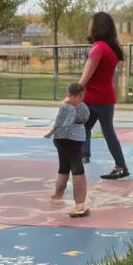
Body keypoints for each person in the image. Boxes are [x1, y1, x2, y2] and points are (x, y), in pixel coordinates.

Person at [79, 12, 130, 179]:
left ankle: (84, 156)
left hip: (93, 99)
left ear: (97, 27)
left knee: (83, 126)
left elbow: (85, 77)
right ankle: (120, 166)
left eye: (90, 24)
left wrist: (72, 94)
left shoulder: (98, 48)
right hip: (106, 98)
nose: (88, 27)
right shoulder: (111, 49)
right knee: (103, 131)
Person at [47, 82, 90, 217]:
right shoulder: (80, 106)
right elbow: (85, 117)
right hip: (74, 140)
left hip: (60, 140)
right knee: (77, 168)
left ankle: (58, 194)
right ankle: (79, 205)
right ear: (81, 95)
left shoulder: (64, 106)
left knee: (64, 167)